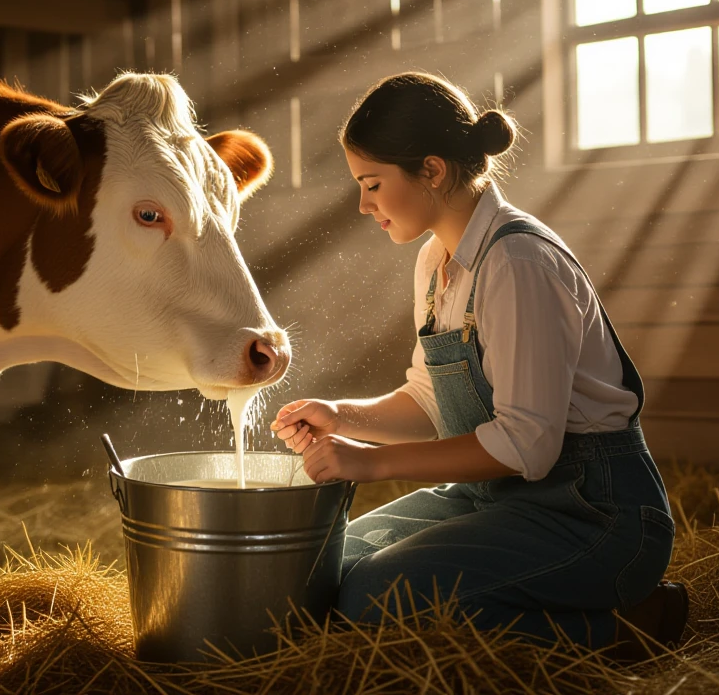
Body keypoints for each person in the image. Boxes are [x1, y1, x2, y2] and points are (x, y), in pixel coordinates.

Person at [269, 72, 687, 660]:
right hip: (491, 499)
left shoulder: (518, 262)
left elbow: (527, 445)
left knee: (372, 598)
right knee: (317, 567)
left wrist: (370, 462)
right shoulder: (435, 259)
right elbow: (431, 397)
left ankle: (627, 626)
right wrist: (340, 416)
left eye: (372, 184)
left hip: (592, 514)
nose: (363, 205)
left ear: (432, 171)